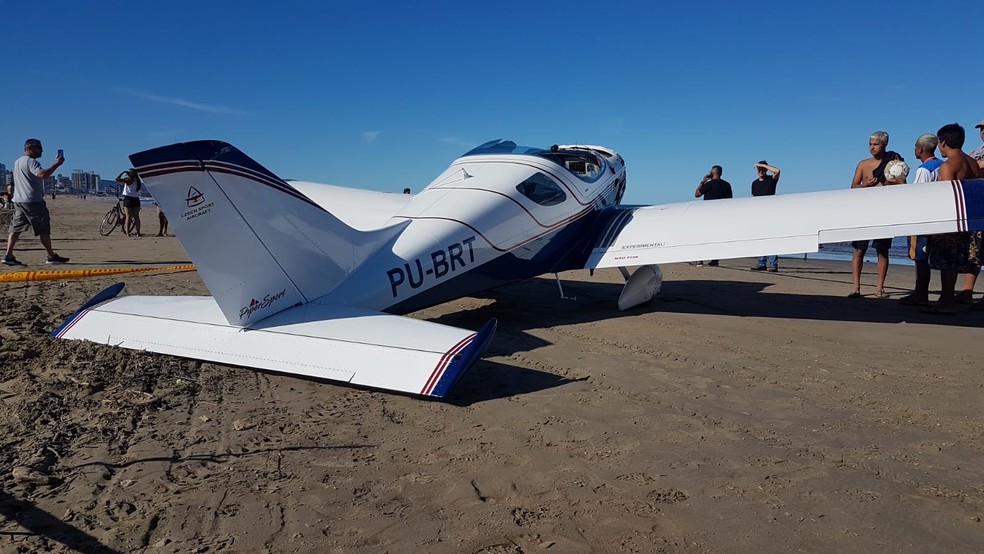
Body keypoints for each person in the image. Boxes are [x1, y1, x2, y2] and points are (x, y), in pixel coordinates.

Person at [926, 123, 982, 314]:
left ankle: (947, 302)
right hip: (968, 221)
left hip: (951, 220)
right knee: (958, 260)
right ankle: (947, 298)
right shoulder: (972, 163)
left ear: (943, 143)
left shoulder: (949, 166)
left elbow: (945, 197)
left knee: (947, 263)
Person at [847, 131, 903, 298]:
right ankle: (856, 287)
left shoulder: (894, 162)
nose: (872, 147)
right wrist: (866, 186)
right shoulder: (863, 164)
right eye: (870, 144)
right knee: (858, 250)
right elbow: (853, 187)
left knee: (882, 251)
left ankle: (880, 288)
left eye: (875, 144)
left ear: (884, 145)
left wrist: (888, 182)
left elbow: (902, 184)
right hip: (864, 211)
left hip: (884, 212)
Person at [2, 139, 69, 265]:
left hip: (19, 200)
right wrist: (57, 164)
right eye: (39, 148)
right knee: (43, 229)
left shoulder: (18, 161)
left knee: (15, 228)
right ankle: (51, 256)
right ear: (30, 148)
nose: (42, 150)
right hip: (33, 201)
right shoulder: (31, 162)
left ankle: (8, 255)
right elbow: (42, 174)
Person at [899, 134, 944, 307]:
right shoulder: (942, 165)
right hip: (938, 218)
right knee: (926, 258)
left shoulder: (924, 169)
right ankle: (921, 293)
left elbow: (917, 195)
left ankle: (921, 294)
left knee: (920, 258)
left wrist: (902, 183)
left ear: (920, 149)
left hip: (923, 219)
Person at [693, 165, 732, 266]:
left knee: (703, 236)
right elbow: (730, 200)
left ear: (711, 173)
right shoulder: (727, 185)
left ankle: (700, 259)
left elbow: (697, 194)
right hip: (721, 214)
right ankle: (715, 259)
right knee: (716, 237)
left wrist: (703, 181)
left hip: (708, 214)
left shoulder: (709, 184)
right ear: (721, 173)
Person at [749, 160, 781, 272]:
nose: (761, 171)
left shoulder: (771, 180)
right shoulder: (754, 183)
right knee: (760, 239)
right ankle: (761, 263)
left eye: (762, 169)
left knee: (772, 238)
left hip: (771, 214)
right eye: (759, 169)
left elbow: (777, 171)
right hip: (759, 215)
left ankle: (773, 264)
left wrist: (762, 165)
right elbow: (753, 198)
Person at [115, 168, 143, 237]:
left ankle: (127, 233)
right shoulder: (138, 181)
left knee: (128, 216)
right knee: (136, 217)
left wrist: (123, 172)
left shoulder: (128, 180)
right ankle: (138, 232)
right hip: (136, 199)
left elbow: (117, 178)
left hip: (128, 199)